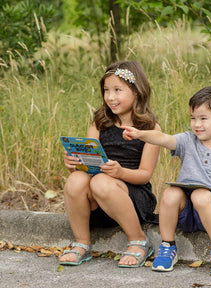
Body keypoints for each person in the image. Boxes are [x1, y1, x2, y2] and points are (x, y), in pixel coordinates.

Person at [122, 86, 211, 275]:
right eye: (193, 118)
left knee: (201, 195)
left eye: (203, 118)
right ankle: (168, 246)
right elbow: (162, 138)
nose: (196, 124)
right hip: (185, 213)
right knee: (171, 192)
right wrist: (140, 134)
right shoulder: (187, 141)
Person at [59, 60, 160, 267]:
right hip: (99, 200)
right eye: (106, 90)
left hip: (132, 197)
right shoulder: (99, 123)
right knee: (76, 179)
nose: (111, 97)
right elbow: (90, 165)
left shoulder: (150, 128)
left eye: (117, 90)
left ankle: (138, 240)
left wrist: (120, 172)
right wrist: (75, 163)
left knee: (101, 182)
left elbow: (145, 175)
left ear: (137, 92)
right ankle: (82, 243)